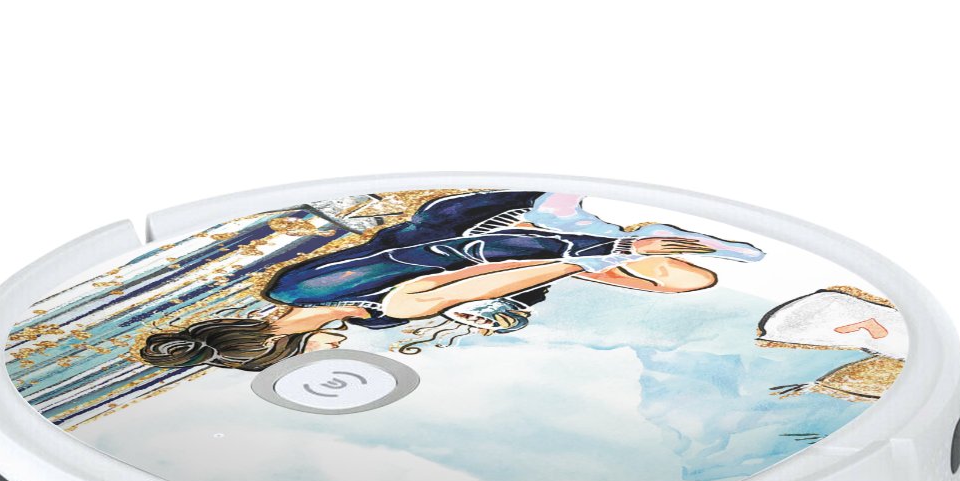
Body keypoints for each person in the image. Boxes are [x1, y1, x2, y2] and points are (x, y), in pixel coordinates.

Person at [140, 190, 763, 373]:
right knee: (687, 282)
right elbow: (481, 287)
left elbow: (464, 259)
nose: (330, 354)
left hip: (491, 226)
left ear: (282, 342)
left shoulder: (316, 292)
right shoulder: (363, 313)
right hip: (512, 252)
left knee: (675, 276)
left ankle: (570, 220)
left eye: (307, 360)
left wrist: (602, 252)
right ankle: (599, 235)